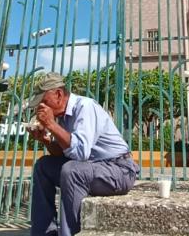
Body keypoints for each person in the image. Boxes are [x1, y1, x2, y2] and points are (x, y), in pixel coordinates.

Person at [28, 72, 139, 236]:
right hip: (92, 169)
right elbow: (64, 153)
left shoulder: (84, 107)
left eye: (44, 101)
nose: (42, 108)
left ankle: (70, 233)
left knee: (71, 170)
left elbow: (80, 153)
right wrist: (45, 140)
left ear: (58, 94)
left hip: (119, 170)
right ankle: (43, 233)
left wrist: (51, 124)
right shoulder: (62, 118)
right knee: (43, 166)